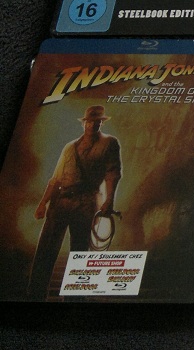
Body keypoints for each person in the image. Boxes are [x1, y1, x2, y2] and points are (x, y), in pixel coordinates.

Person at [27, 105, 122, 298]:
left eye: (96, 122)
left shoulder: (109, 144)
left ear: (101, 123)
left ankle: (74, 299)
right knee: (45, 249)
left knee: (79, 252)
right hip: (60, 202)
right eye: (89, 121)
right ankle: (35, 297)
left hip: (85, 203)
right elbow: (55, 179)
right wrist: (43, 203)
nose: (92, 125)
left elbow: (112, 173)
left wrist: (109, 200)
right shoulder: (69, 147)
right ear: (84, 123)